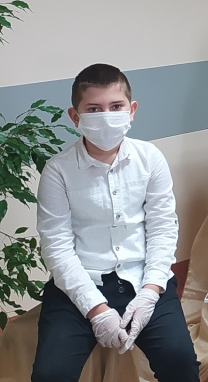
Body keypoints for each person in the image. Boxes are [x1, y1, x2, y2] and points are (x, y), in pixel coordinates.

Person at [33, 64, 197, 382]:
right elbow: (57, 248)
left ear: (131, 110)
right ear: (75, 116)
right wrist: (97, 311)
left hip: (144, 278)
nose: (106, 116)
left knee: (180, 363)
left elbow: (163, 228)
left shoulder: (150, 159)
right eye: (94, 109)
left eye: (116, 106)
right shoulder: (57, 171)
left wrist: (150, 292)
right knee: (51, 374)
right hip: (81, 282)